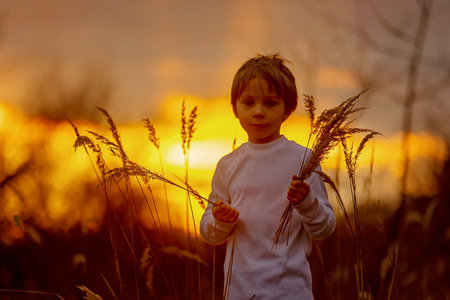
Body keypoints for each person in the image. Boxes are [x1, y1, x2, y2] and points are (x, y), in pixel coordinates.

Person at [200, 53, 336, 300]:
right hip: (239, 292)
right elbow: (210, 232)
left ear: (288, 109)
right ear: (235, 108)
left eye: (270, 103)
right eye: (248, 102)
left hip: (290, 293)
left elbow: (325, 227)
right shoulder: (228, 165)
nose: (258, 112)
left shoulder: (304, 160)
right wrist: (220, 220)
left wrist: (306, 202)